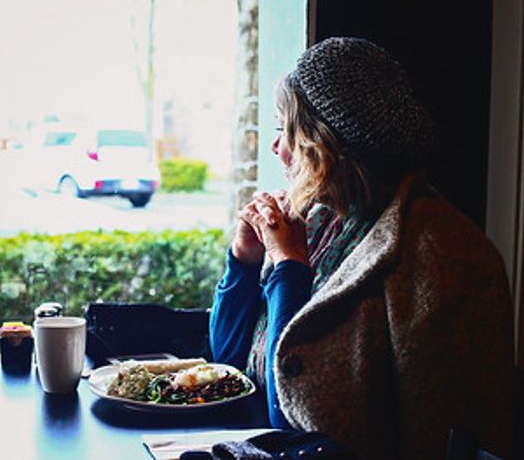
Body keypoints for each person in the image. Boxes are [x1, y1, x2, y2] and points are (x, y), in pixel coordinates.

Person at [209, 37, 514, 460]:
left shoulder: (436, 254)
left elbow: (291, 418)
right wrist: (243, 263)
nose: (276, 148)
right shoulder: (319, 221)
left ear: (323, 145)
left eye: (284, 130)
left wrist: (288, 269)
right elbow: (228, 361)